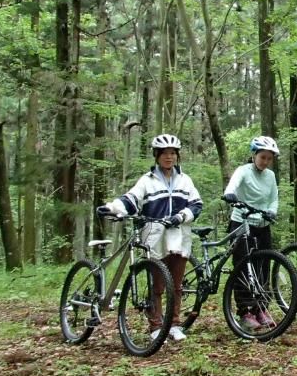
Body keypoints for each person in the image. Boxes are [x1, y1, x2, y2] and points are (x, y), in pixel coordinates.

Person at [99, 133, 203, 342]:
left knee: (177, 284)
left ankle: (173, 324)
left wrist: (181, 216)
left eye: (173, 153)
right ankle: (156, 325)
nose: (169, 157)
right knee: (157, 284)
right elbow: (130, 199)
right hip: (155, 237)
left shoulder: (185, 180)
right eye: (164, 153)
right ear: (156, 155)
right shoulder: (147, 181)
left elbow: (196, 204)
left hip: (179, 236)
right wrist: (113, 207)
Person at [222, 136, 280, 331]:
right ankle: (245, 311)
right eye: (262, 157)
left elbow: (273, 198)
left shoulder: (270, 176)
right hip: (242, 222)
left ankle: (261, 308)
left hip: (262, 224)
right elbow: (233, 186)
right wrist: (230, 195)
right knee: (243, 267)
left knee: (263, 266)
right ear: (254, 155)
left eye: (269, 158)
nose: (265, 162)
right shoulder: (243, 171)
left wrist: (272, 211)